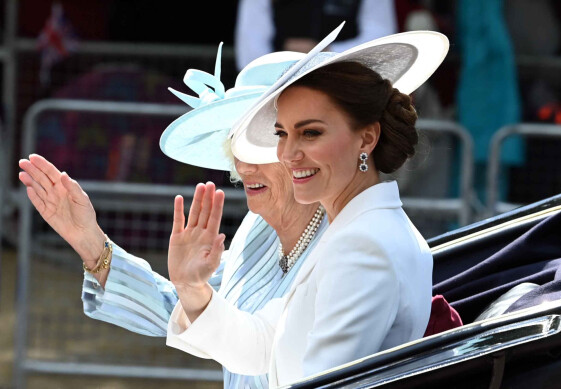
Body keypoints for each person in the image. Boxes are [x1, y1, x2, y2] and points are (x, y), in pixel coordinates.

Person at [17, 49, 331, 389]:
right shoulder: (258, 231)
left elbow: (252, 344)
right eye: (237, 145)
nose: (242, 167)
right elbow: (184, 310)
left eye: (259, 146)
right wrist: (91, 242)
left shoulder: (345, 240)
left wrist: (192, 289)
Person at [165, 28, 449, 387]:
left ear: (367, 137)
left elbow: (321, 382)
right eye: (282, 134)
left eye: (310, 133)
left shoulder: (363, 245)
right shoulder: (353, 230)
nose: (288, 153)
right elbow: (263, 345)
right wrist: (190, 287)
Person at [235, 0, 398, 70]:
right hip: (278, 88)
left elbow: (382, 39)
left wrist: (325, 52)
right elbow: (250, 54)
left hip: (346, 85)